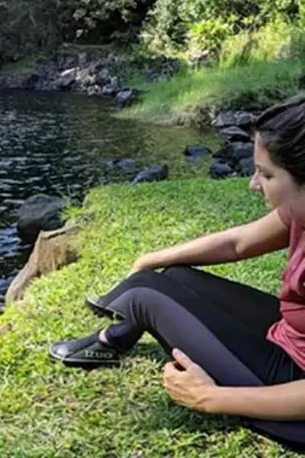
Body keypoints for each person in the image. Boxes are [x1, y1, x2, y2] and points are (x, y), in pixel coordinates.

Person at [49, 95, 305, 452]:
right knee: (176, 276)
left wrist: (210, 398)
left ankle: (112, 335)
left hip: (294, 388)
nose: (253, 184)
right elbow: (237, 243)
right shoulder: (300, 209)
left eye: (266, 174)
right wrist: (151, 257)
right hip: (291, 338)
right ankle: (118, 333)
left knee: (146, 295)